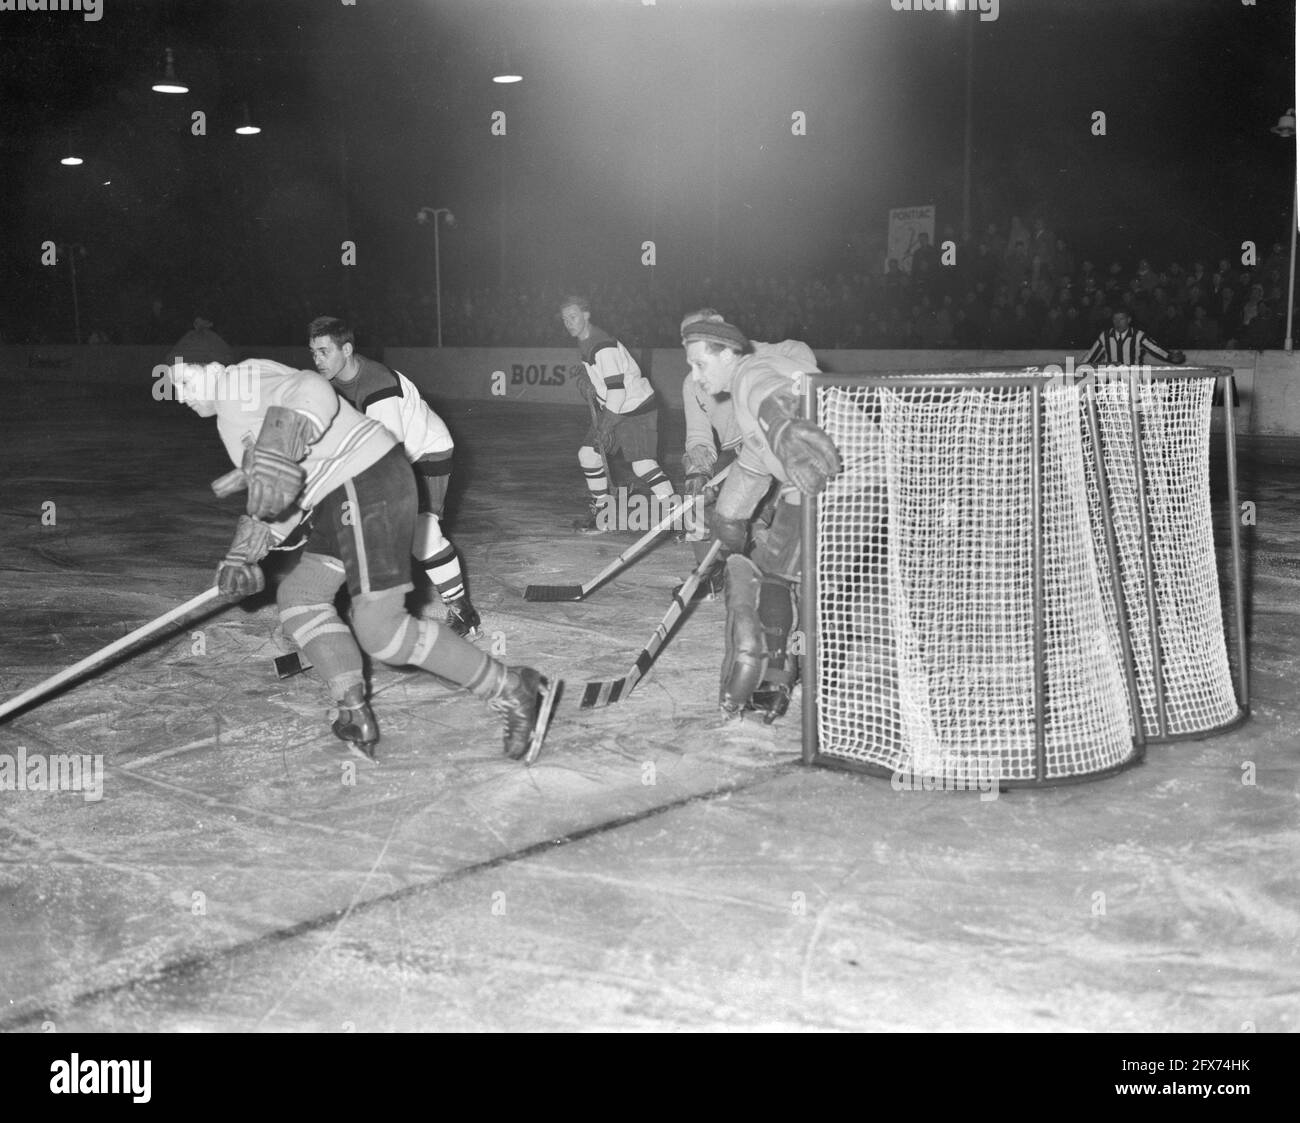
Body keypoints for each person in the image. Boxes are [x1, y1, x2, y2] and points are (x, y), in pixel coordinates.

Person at [165, 358, 551, 761]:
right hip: (337, 496)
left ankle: (511, 687)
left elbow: (313, 389)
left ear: (205, 370)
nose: (182, 395)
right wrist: (246, 553)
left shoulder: (235, 384)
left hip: (363, 483)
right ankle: (352, 708)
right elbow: (285, 492)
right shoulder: (230, 417)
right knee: (301, 597)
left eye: (185, 381)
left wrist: (282, 444)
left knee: (380, 631)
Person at [681, 317, 841, 723]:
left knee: (782, 577)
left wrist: (786, 429)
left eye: (701, 363)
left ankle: (778, 675)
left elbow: (774, 398)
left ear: (729, 352)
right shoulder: (734, 385)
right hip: (808, 480)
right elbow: (754, 463)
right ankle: (802, 664)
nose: (694, 375)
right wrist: (729, 515)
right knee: (785, 572)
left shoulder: (751, 372)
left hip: (833, 474)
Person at [306, 316, 481, 639]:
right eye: (313, 352)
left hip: (424, 454)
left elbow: (387, 456)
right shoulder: (334, 383)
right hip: (398, 455)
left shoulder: (377, 386)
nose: (317, 360)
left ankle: (462, 613)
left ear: (346, 349)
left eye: (324, 351)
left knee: (421, 537)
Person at [677, 308, 818, 601]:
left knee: (772, 522)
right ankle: (710, 573)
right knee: (698, 497)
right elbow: (699, 436)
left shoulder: (776, 353)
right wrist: (697, 462)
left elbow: (802, 372)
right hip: (740, 454)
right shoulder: (694, 382)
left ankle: (776, 578)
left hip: (786, 446)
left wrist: (760, 433)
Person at [560, 295, 675, 533]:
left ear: (586, 315)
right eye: (565, 319)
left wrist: (605, 427)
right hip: (616, 408)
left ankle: (678, 515)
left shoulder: (602, 345)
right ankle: (604, 514)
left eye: (573, 317)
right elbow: (604, 380)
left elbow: (617, 391)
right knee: (588, 456)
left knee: (643, 465)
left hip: (636, 410)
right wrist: (587, 377)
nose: (568, 322)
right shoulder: (586, 340)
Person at [1080, 308, 1185, 368]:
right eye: (1115, 319)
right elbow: (1091, 356)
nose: (1118, 322)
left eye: (1121, 319)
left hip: (1134, 379)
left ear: (1129, 320)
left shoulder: (1139, 335)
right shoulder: (1105, 336)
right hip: (1112, 381)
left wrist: (1170, 356)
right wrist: (1078, 368)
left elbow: (1155, 349)